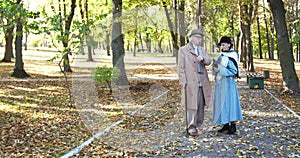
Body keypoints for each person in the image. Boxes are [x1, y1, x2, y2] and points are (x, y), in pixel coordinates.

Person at [178, 29, 212, 136]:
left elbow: (209, 61)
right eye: (197, 37)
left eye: (201, 38)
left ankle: (199, 125)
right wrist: (183, 82)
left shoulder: (202, 49)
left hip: (202, 81)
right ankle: (191, 127)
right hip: (190, 82)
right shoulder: (184, 50)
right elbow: (181, 67)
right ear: (191, 38)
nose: (199, 40)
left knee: (201, 104)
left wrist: (203, 59)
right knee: (192, 105)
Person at [212, 36, 243, 134]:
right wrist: (214, 68)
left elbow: (234, 71)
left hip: (228, 83)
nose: (222, 46)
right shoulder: (220, 55)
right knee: (221, 103)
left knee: (230, 103)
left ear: (229, 44)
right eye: (221, 45)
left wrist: (220, 70)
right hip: (220, 83)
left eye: (224, 44)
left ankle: (233, 125)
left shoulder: (232, 56)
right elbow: (214, 69)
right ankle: (225, 124)